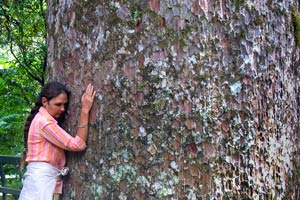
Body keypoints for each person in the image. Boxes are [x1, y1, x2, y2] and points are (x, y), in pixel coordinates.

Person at [19, 81, 96, 200]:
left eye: (65, 105)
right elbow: (78, 145)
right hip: (41, 182)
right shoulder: (44, 122)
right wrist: (85, 110)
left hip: (42, 181)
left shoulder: (42, 119)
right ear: (45, 101)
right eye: (58, 104)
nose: (62, 109)